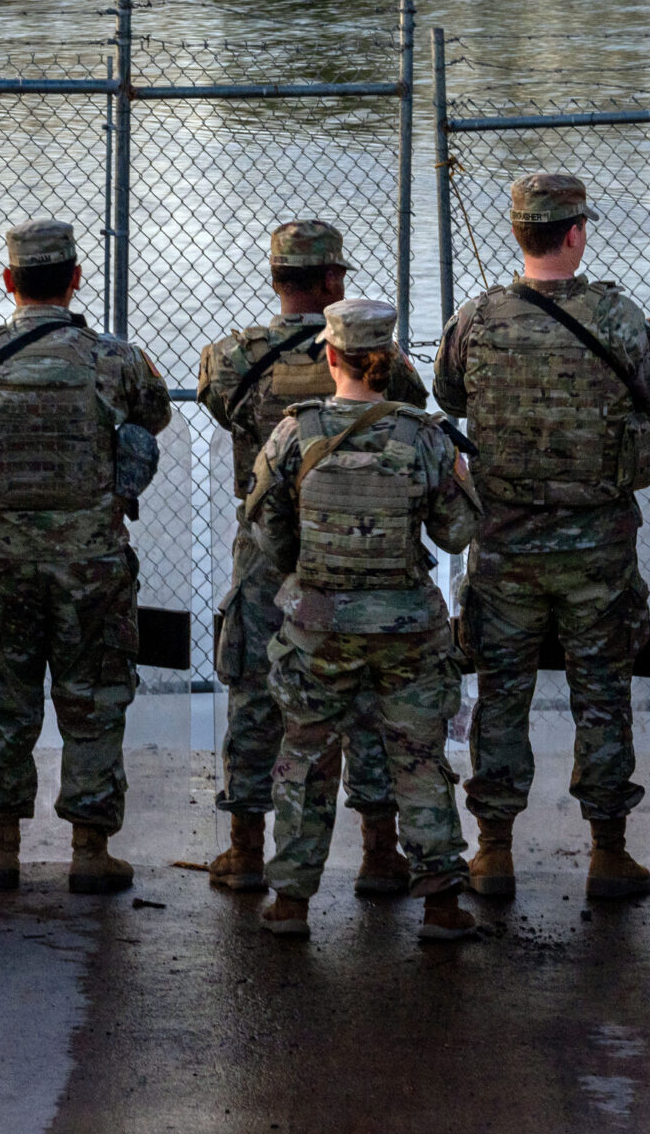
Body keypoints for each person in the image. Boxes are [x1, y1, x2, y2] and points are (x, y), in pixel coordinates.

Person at [437, 173, 650, 902]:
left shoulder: (477, 317)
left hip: (505, 541)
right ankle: (607, 852)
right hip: (597, 548)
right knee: (602, 692)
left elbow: (448, 395)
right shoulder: (620, 317)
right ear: (575, 233)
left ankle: (493, 851)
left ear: (519, 234)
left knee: (501, 692)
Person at [197, 221, 427, 897]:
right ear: (331, 282)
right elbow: (404, 412)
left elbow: (222, 411)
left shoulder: (232, 358)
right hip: (359, 542)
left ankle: (244, 850)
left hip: (269, 547)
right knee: (368, 693)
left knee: (255, 690)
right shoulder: (381, 361)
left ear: (277, 279)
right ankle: (380, 853)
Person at [245, 299, 483, 941]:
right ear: (394, 362)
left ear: (330, 356)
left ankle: (291, 901)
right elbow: (458, 533)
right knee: (418, 758)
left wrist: (315, 573)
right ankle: (439, 903)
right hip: (406, 629)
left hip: (319, 628)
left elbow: (270, 536)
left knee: (305, 756)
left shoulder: (293, 433)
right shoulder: (424, 435)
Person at [0, 219, 171, 896]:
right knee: (94, 696)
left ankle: (0, 851)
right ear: (76, 278)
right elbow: (153, 418)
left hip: (2, 560)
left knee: (2, 700)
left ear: (9, 281)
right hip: (91, 562)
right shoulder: (115, 357)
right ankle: (88, 850)